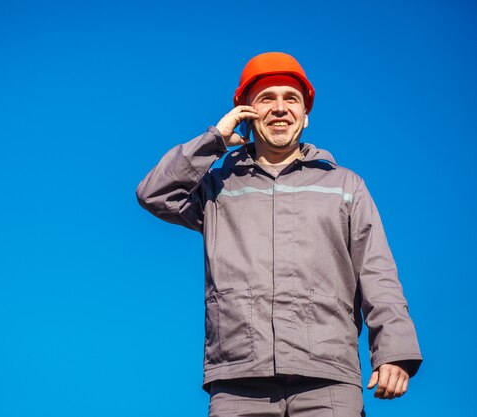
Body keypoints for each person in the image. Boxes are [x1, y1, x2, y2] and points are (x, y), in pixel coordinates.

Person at [136, 52, 422, 417]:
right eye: (265, 99)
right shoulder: (218, 187)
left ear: (306, 116)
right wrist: (215, 140)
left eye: (291, 99)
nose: (280, 108)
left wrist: (394, 351)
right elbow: (154, 194)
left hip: (328, 377)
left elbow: (377, 273)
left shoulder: (345, 186)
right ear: (246, 114)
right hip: (239, 378)